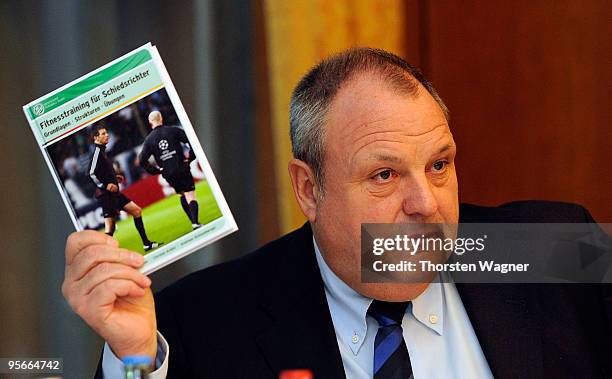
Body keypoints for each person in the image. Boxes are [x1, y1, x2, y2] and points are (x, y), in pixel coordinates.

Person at [63, 48, 612, 378]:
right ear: (308, 188)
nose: (427, 204)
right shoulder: (203, 321)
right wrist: (134, 359)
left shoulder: (549, 251)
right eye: (384, 175)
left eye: (440, 164)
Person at [88, 126, 160, 252]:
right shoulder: (96, 153)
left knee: (136, 211)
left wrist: (114, 177)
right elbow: (92, 173)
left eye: (107, 132)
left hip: (115, 193)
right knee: (110, 228)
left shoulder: (103, 151)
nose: (107, 135)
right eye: (103, 133)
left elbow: (102, 172)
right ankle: (101, 254)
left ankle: (147, 244)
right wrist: (106, 185)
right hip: (106, 196)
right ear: (96, 138)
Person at [138, 111, 201, 230]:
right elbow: (191, 140)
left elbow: (141, 160)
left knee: (182, 194)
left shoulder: (149, 140)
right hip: (181, 167)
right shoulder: (173, 130)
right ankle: (195, 223)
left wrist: (155, 170)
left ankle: (193, 222)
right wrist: (191, 157)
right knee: (190, 194)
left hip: (168, 173)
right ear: (161, 118)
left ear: (150, 122)